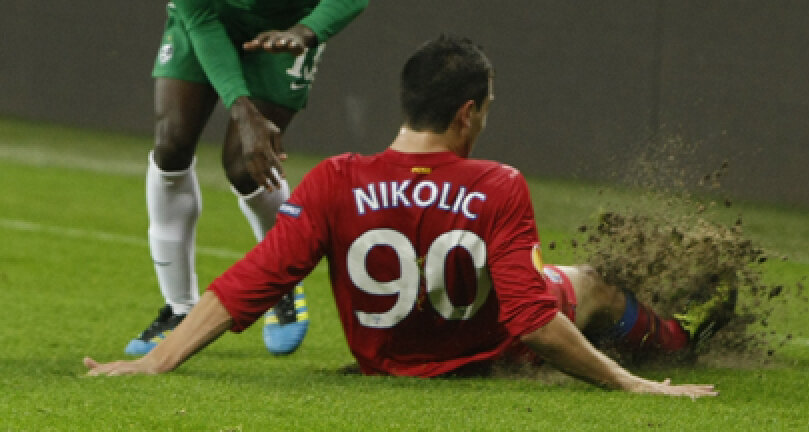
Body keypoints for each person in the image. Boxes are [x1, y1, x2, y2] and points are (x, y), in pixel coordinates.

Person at [86, 35, 736, 397]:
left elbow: (250, 283)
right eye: (487, 108)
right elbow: (532, 321)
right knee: (590, 283)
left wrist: (159, 360)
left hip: (386, 360)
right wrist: (631, 387)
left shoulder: (334, 181)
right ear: (467, 113)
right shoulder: (498, 184)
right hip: (486, 353)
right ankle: (681, 345)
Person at [124, 0, 369, 359]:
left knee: (241, 162)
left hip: (286, 27)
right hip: (208, 19)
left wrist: (305, 33)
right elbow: (200, 17)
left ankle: (280, 283)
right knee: (170, 142)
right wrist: (240, 103)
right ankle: (179, 310)